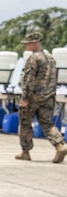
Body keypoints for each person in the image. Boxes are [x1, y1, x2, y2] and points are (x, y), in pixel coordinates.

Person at [16, 31, 67, 163]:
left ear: (34, 43)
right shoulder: (51, 58)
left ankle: (25, 152)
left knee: (25, 123)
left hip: (33, 96)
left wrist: (25, 98)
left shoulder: (33, 58)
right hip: (48, 96)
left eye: (27, 44)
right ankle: (60, 145)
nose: (26, 46)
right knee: (47, 123)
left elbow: (29, 80)